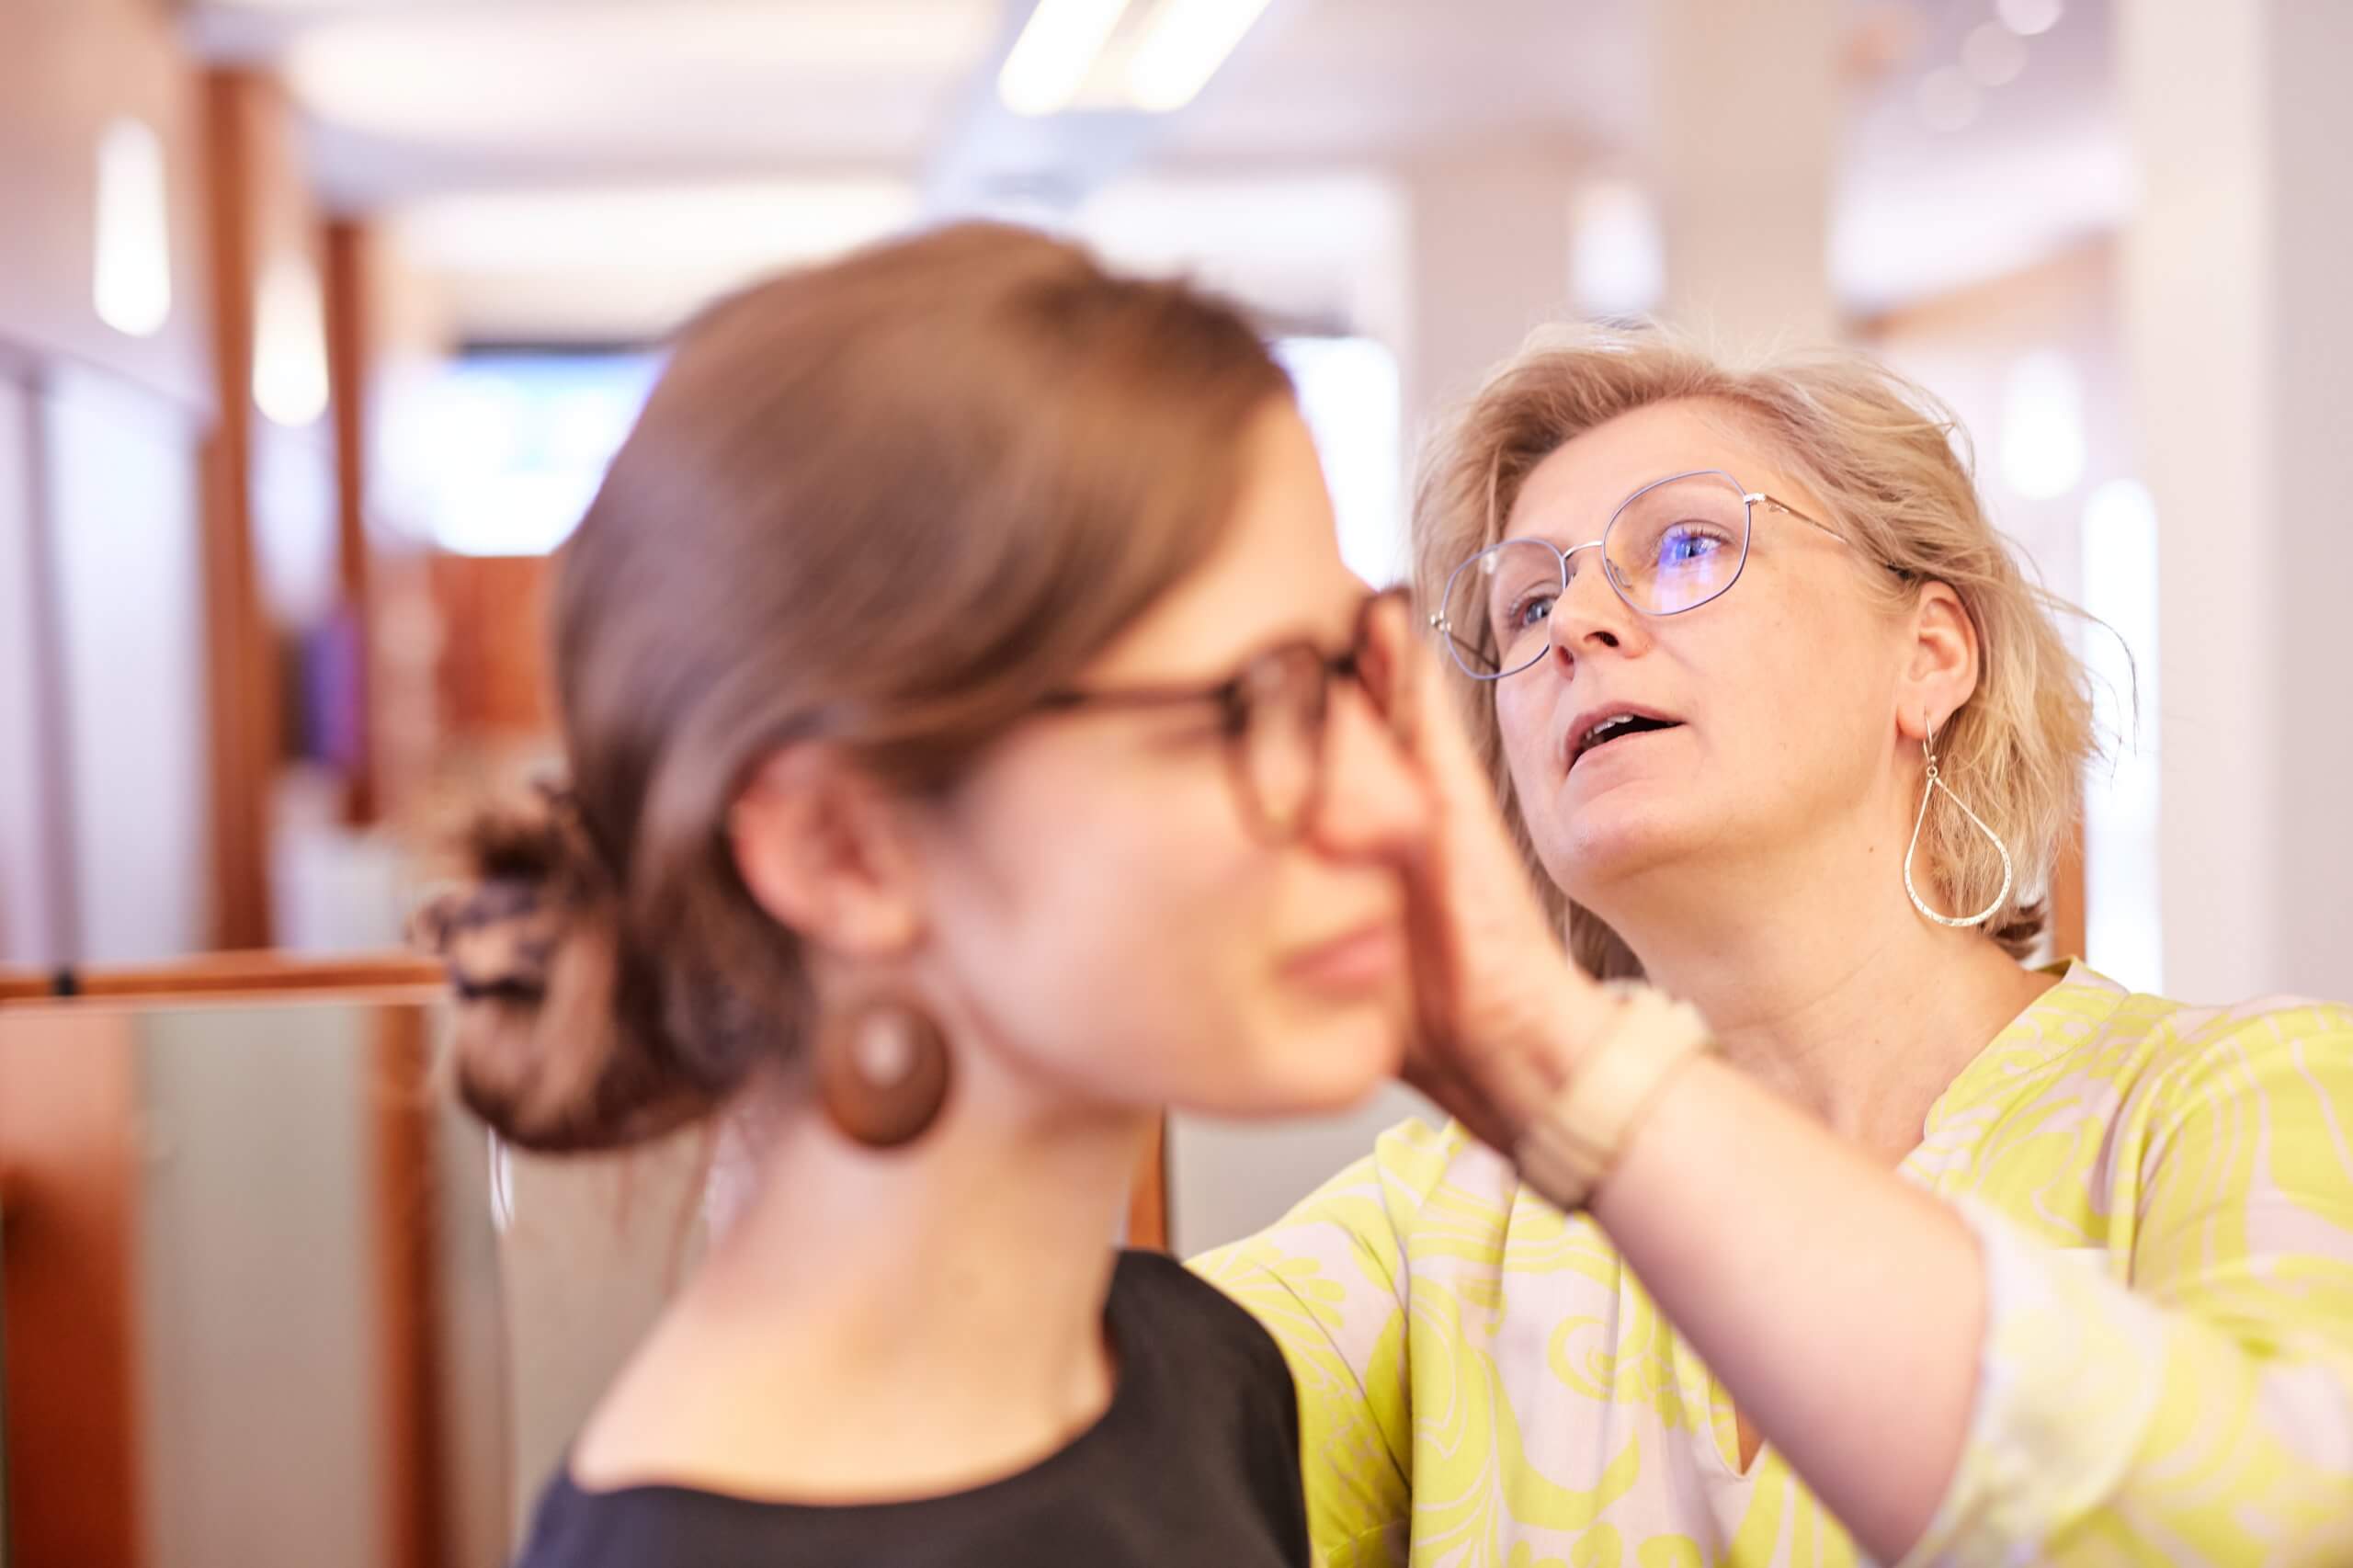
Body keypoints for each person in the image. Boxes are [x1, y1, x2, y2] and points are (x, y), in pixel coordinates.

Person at [1197, 327, 2353, 1566]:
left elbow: (2282, 1519)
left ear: (1929, 656)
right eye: (1527, 601)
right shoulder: (1437, 1217)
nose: (1577, 621)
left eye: (1688, 545)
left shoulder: (2230, 1096)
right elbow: (1072, 1454)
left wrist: (1576, 1073)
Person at [416, 222, 1442, 1567]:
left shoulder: (1197, 1364)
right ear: (844, 848)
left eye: (1350, 672)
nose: (1390, 803)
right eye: (1248, 703)